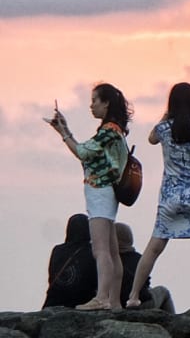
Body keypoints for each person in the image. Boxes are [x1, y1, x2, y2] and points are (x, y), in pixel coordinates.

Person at [126, 82, 190, 311]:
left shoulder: (164, 129)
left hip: (171, 196)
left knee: (154, 248)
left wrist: (165, 116)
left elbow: (151, 138)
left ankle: (133, 296)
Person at [44, 84, 131, 310]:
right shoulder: (116, 130)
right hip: (108, 193)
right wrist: (65, 131)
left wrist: (64, 134)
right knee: (112, 250)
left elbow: (82, 152)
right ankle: (113, 301)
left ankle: (102, 297)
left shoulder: (108, 131)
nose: (91, 105)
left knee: (100, 249)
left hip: (100, 192)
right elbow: (86, 151)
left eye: (95, 100)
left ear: (106, 103)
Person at [115, 222, 175, 313]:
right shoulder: (139, 259)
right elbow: (145, 282)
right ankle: (172, 321)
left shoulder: (105, 261)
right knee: (163, 291)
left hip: (116, 303)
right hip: (140, 303)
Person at [43, 214, 98, 308]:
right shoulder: (94, 252)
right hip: (82, 301)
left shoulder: (57, 250)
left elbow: (52, 274)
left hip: (54, 302)